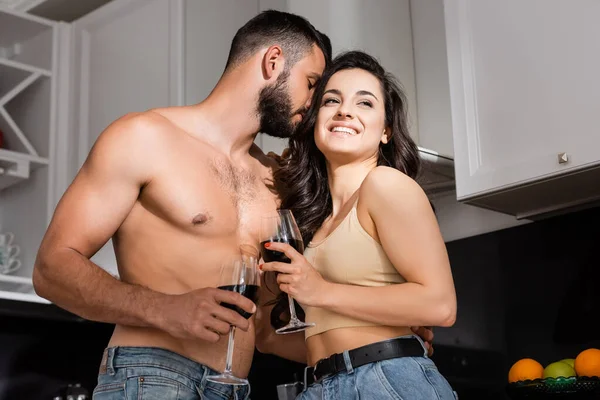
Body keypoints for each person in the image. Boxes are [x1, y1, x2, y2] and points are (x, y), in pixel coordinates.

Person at [32, 9, 433, 399]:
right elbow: (52, 268)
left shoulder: (276, 178)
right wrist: (165, 309)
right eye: (312, 83)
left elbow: (268, 331)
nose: (313, 103)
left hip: (235, 388)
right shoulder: (143, 138)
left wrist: (382, 338)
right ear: (274, 61)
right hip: (150, 374)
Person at [258, 51, 458, 399]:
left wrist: (322, 292)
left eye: (364, 103)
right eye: (331, 100)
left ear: (386, 131)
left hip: (386, 379)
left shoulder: (385, 185)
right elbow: (276, 339)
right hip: (323, 385)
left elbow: (441, 305)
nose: (344, 110)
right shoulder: (311, 222)